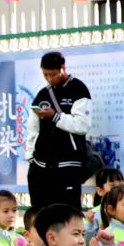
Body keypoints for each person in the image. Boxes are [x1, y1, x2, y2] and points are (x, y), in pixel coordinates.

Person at [26, 51, 93, 212]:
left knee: (67, 215)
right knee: (41, 214)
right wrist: (30, 158)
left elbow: (82, 125)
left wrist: (55, 117)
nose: (49, 79)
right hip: (40, 166)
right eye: (45, 75)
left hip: (68, 165)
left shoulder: (78, 89)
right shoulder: (43, 94)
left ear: (63, 68)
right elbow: (33, 128)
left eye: (53, 74)